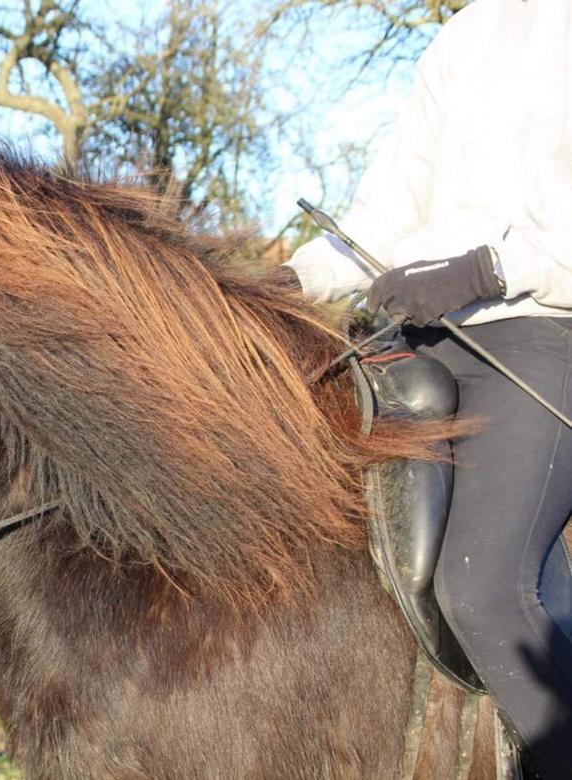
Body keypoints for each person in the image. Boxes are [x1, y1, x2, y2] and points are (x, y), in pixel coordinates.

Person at [281, 0, 572, 775]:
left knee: (485, 590)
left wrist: (485, 270)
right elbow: (385, 216)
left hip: (540, 334)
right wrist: (283, 282)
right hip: (414, 338)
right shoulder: (464, 32)